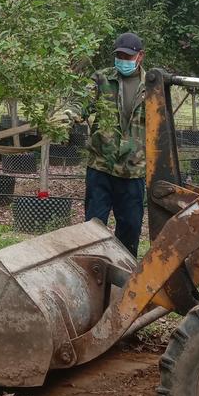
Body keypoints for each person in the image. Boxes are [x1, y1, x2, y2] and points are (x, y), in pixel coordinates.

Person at [67, 32, 146, 258]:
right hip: (100, 166)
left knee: (130, 230)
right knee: (92, 227)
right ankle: (93, 268)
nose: (123, 60)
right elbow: (81, 104)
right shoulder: (102, 79)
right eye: (119, 55)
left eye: (128, 56)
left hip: (133, 170)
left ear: (140, 56)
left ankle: (124, 276)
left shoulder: (151, 86)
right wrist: (69, 114)